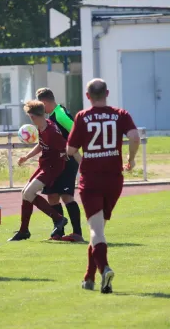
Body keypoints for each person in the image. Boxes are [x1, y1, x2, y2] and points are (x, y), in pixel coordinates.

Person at [66, 78, 141, 294]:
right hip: (113, 179)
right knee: (98, 230)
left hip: (91, 179)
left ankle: (105, 268)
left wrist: (81, 156)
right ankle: (89, 277)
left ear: (88, 96)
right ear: (107, 93)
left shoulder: (82, 116)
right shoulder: (120, 114)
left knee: (95, 230)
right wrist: (131, 159)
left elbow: (70, 149)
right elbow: (134, 137)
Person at [9, 100, 69, 241]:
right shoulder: (43, 127)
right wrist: (27, 157)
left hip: (52, 167)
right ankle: (24, 230)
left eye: (30, 116)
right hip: (45, 165)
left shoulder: (51, 131)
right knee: (25, 193)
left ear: (33, 117)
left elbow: (65, 147)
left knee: (29, 192)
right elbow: (42, 145)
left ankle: (58, 219)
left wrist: (64, 157)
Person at [32, 87, 84, 242]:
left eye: (40, 105)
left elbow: (77, 131)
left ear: (45, 102)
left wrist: (72, 151)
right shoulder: (52, 115)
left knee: (66, 196)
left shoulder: (60, 114)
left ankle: (77, 233)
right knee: (52, 196)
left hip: (68, 160)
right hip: (56, 162)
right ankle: (58, 232)